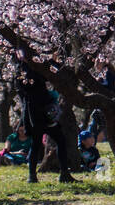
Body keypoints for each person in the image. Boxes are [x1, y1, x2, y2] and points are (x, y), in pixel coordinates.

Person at [13, 54, 74, 184]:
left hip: (32, 114)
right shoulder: (31, 70)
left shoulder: (20, 73)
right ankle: (63, 173)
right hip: (44, 112)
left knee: (36, 144)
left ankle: (32, 176)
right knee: (59, 140)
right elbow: (47, 77)